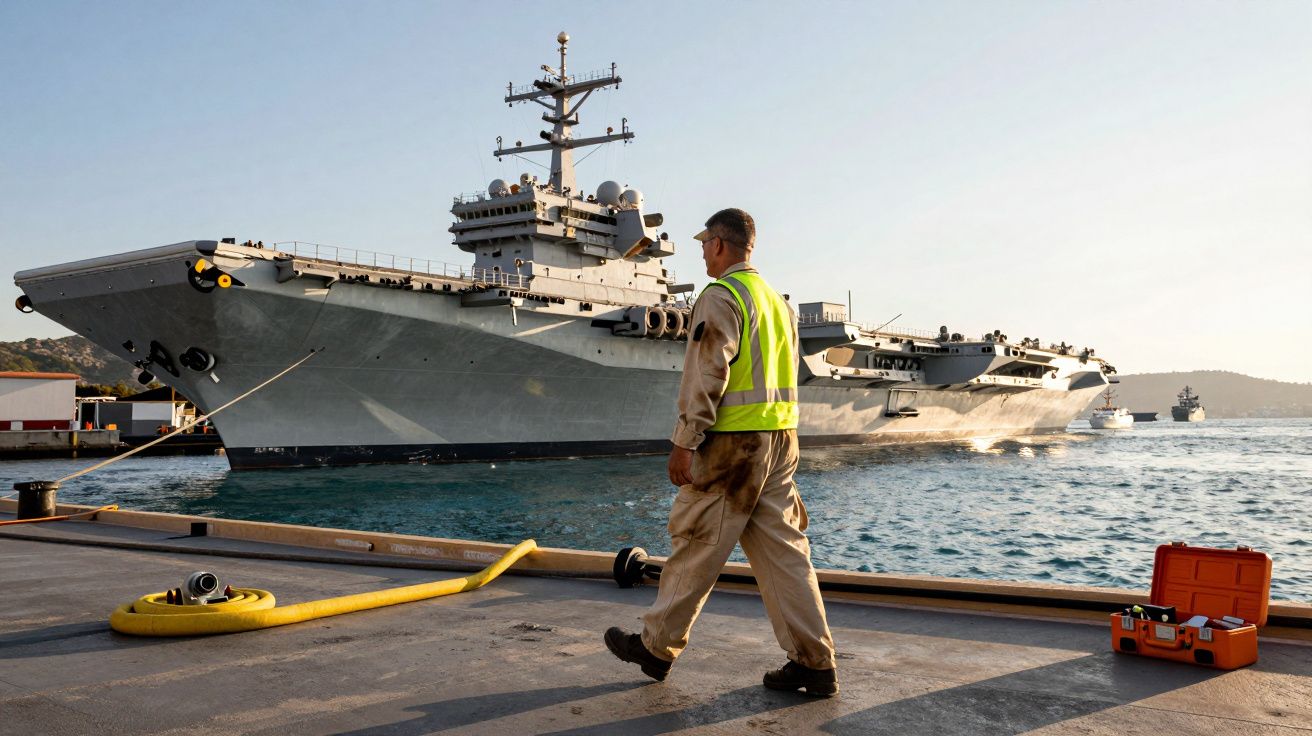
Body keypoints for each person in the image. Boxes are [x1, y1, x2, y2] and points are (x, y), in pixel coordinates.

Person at [604, 208, 838, 697]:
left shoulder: (720, 296)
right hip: (781, 442)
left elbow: (709, 373)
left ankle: (655, 646)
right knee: (786, 556)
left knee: (695, 544)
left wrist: (684, 442)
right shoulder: (777, 302)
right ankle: (815, 662)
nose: (701, 253)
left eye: (704, 244)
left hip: (732, 446)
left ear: (718, 245)